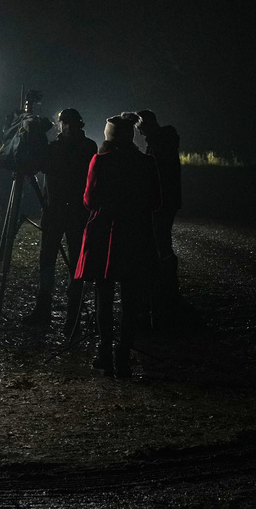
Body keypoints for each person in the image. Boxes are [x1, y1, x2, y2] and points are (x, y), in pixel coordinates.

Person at [75, 115, 162, 377]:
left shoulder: (100, 161)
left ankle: (104, 352)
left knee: (104, 294)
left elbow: (90, 200)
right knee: (130, 297)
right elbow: (156, 201)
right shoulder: (146, 162)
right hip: (136, 233)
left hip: (106, 233)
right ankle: (124, 353)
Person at [22, 109, 98, 332]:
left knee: (76, 264)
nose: (69, 127)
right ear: (61, 125)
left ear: (79, 124)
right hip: (54, 211)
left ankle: (72, 315)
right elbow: (36, 164)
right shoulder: (55, 148)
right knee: (47, 261)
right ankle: (43, 309)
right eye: (65, 122)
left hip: (75, 212)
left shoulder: (86, 148)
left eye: (72, 122)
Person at [136, 109, 182, 322]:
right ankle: (167, 286)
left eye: (140, 127)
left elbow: (156, 170)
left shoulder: (159, 141)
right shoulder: (164, 139)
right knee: (162, 241)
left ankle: (167, 287)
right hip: (168, 200)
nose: (140, 132)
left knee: (161, 242)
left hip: (162, 201)